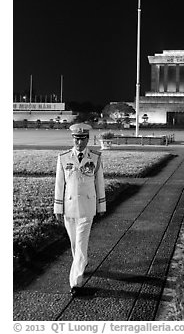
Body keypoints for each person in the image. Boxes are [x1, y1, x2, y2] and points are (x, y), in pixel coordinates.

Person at [54, 123, 106, 296]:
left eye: (82, 139)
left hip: (87, 207)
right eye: (76, 138)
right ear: (73, 139)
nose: (79, 142)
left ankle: (75, 282)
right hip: (69, 208)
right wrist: (58, 207)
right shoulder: (63, 157)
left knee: (81, 244)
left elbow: (99, 183)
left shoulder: (95, 157)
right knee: (75, 243)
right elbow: (59, 184)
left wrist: (101, 205)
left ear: (88, 139)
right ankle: (82, 263)